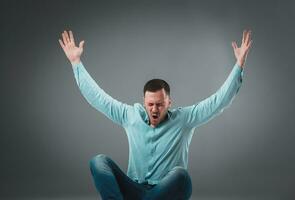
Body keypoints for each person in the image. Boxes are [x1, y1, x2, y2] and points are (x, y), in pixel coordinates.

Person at [59, 29, 252, 200]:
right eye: (150, 104)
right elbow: (98, 98)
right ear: (144, 102)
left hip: (165, 192)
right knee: (98, 161)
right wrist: (76, 62)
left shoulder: (184, 119)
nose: (154, 109)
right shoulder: (130, 115)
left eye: (160, 104)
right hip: (133, 189)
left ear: (169, 103)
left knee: (180, 175)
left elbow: (218, 102)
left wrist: (239, 65)